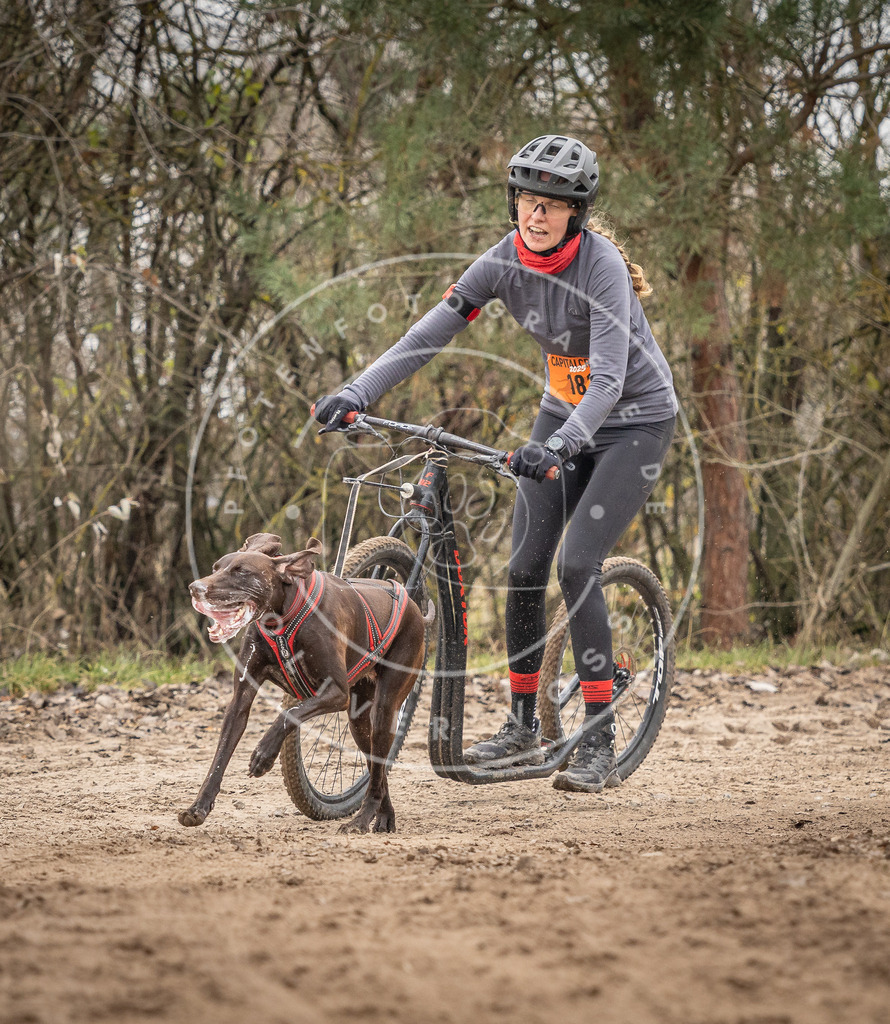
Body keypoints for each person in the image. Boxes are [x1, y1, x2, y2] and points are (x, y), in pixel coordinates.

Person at [314, 134, 677, 793]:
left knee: (575, 565)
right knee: (523, 568)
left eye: (551, 206)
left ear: (576, 214)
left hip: (632, 424)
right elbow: (427, 334)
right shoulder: (500, 263)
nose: (535, 216)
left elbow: (609, 384)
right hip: (560, 416)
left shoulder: (602, 269)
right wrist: (355, 392)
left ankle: (597, 739)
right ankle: (521, 724)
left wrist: (562, 446)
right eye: (527, 202)